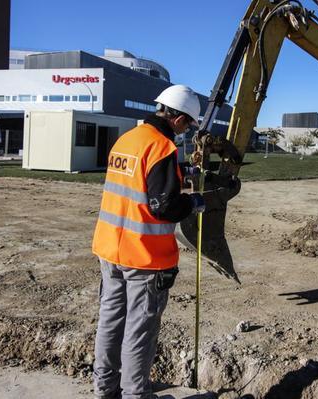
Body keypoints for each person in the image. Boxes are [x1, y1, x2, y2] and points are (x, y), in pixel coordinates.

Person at [91, 85, 206, 399]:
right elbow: (163, 206)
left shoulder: (128, 140)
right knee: (140, 330)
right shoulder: (162, 147)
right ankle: (136, 394)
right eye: (188, 125)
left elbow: (140, 180)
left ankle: (106, 389)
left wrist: (183, 171)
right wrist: (193, 203)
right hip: (143, 257)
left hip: (110, 250)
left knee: (111, 320)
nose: (186, 131)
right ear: (179, 118)